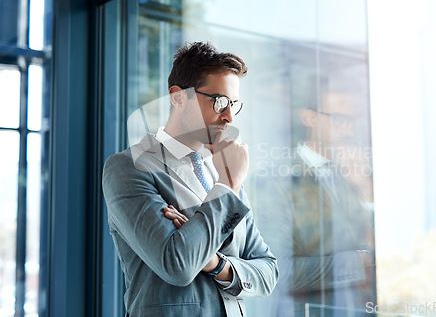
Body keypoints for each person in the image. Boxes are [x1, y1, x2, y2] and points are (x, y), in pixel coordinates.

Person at [102, 42, 279, 317]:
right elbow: (178, 264)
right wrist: (226, 187)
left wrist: (217, 264)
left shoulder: (225, 170)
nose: (229, 116)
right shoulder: (129, 168)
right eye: (219, 101)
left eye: (233, 104)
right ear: (178, 97)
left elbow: (267, 271)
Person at [256, 89, 375, 317]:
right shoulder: (276, 180)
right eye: (341, 120)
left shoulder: (354, 176)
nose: (349, 131)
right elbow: (279, 271)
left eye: (354, 122)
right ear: (309, 118)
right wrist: (361, 261)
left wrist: (365, 190)